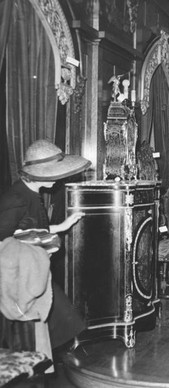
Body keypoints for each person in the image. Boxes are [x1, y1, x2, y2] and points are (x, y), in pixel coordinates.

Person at [0, 139, 91, 353]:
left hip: (33, 276)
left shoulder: (32, 192)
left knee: (56, 324)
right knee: (38, 332)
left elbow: (31, 229)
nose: (57, 178)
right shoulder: (16, 198)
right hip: (17, 281)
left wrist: (63, 225)